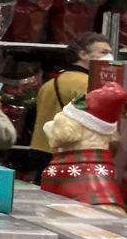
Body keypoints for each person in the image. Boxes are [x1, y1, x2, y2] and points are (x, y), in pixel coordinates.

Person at [30, 31, 112, 164]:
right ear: (83, 54)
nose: (109, 57)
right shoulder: (90, 84)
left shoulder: (49, 84)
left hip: (41, 150)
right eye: (104, 52)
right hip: (70, 154)